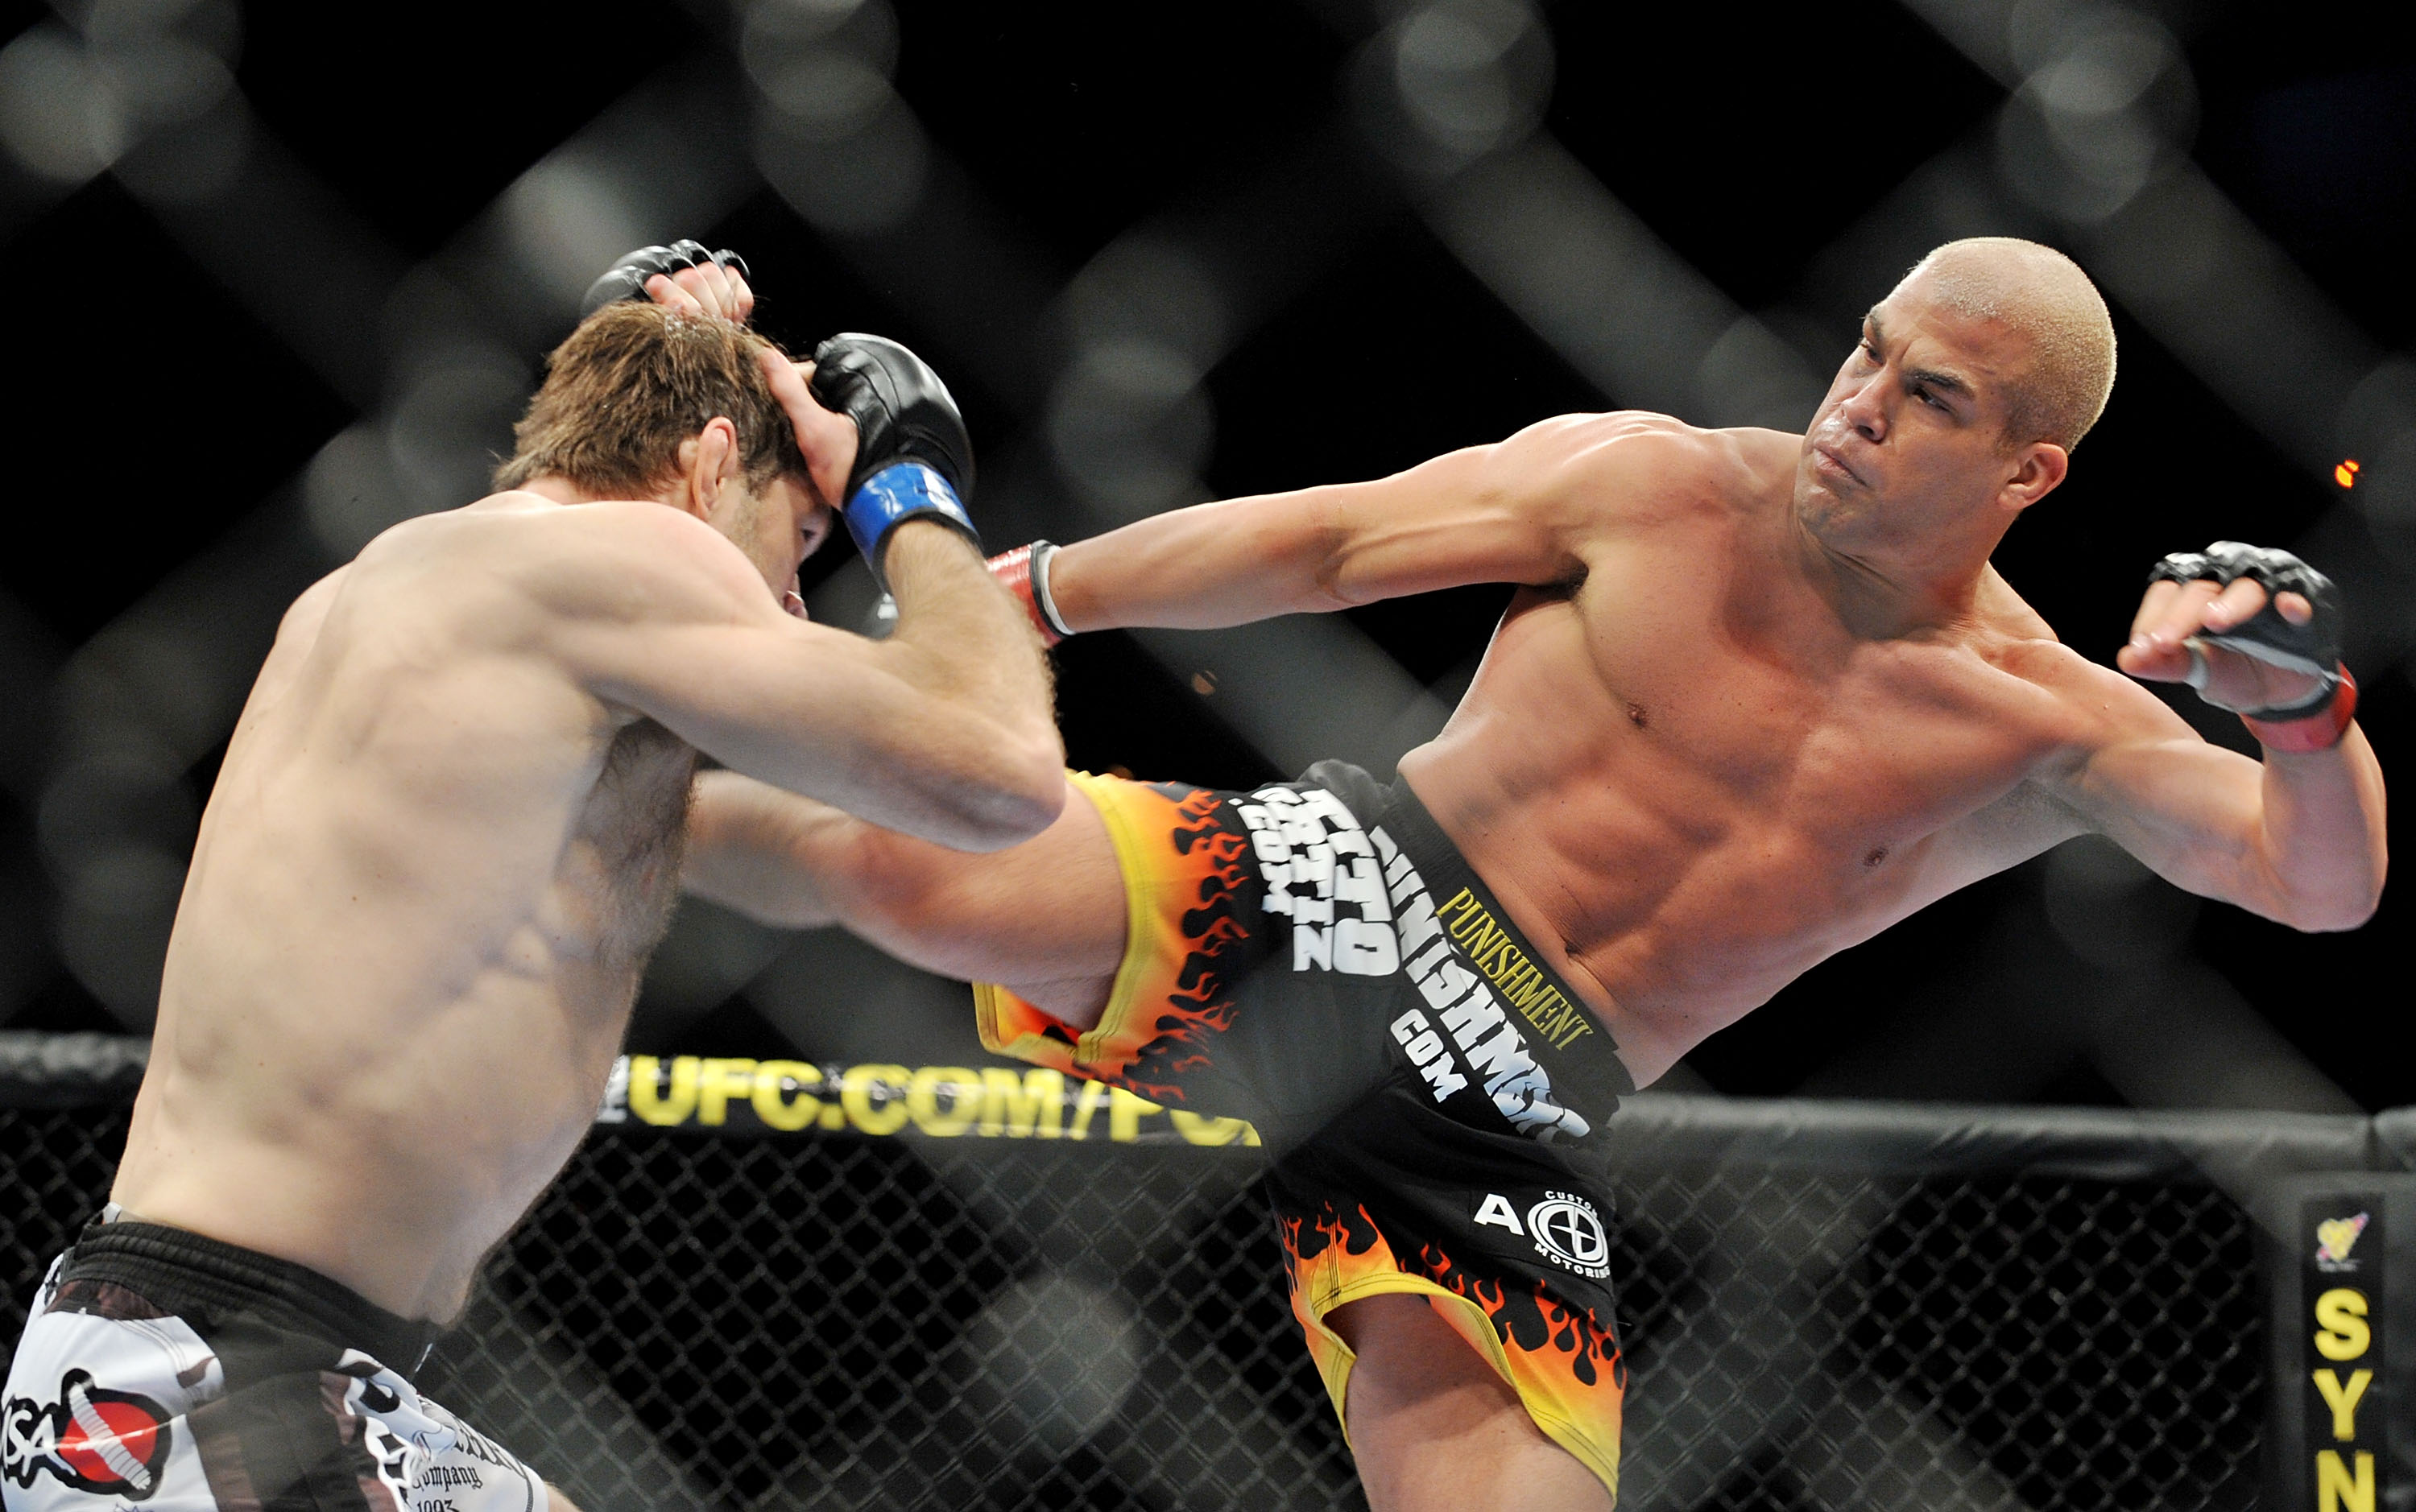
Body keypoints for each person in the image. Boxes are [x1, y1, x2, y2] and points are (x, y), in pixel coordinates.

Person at [679, 238, 2387, 1511]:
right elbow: (1328, 542)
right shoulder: (1658, 484)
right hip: (1356, 900)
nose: (1859, 404)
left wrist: (2307, 726)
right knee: (909, 869)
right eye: (1870, 352)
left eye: (1929, 394)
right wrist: (1025, 590)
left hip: (1518, 1113)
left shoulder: (2040, 718)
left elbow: (2314, 888)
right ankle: (620, 735)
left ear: (2027, 471)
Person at [0, 246, 1062, 1512]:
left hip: (214, 1357)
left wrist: (639, 353)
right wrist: (909, 493)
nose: (791, 594)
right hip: (219, 1375)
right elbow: (1001, 771)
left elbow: (782, 840)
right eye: (807, 535)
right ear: (713, 461)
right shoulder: (617, 566)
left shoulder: (410, 586)